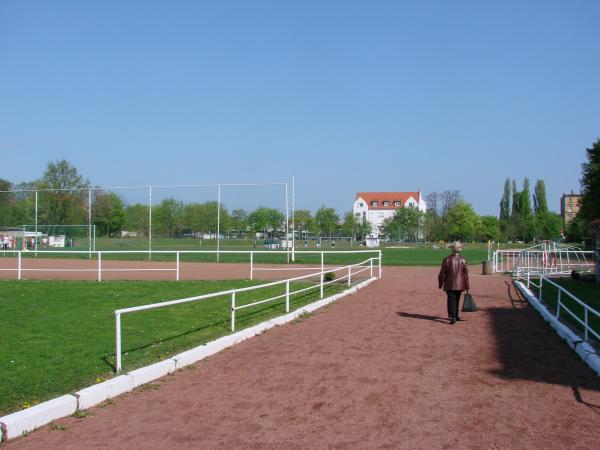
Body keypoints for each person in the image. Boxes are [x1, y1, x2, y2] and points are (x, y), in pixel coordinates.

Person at [438, 241, 470, 324]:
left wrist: (440, 284)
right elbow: (466, 274)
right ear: (460, 249)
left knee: (451, 299)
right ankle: (455, 315)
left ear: (452, 249)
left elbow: (442, 273)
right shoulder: (464, 260)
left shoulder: (446, 259)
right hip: (460, 283)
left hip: (449, 283)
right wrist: (467, 286)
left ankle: (453, 316)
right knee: (457, 299)